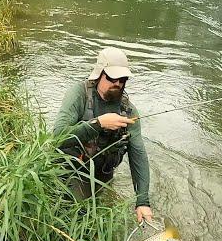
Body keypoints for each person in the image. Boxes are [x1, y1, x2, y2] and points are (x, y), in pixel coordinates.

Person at [53, 47, 153, 224]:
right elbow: (58, 137)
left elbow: (138, 155)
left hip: (103, 173)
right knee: (79, 218)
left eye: (122, 79)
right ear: (99, 74)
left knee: (101, 218)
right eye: (112, 78)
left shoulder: (128, 111)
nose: (118, 83)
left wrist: (142, 201)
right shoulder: (78, 94)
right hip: (73, 170)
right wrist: (98, 124)